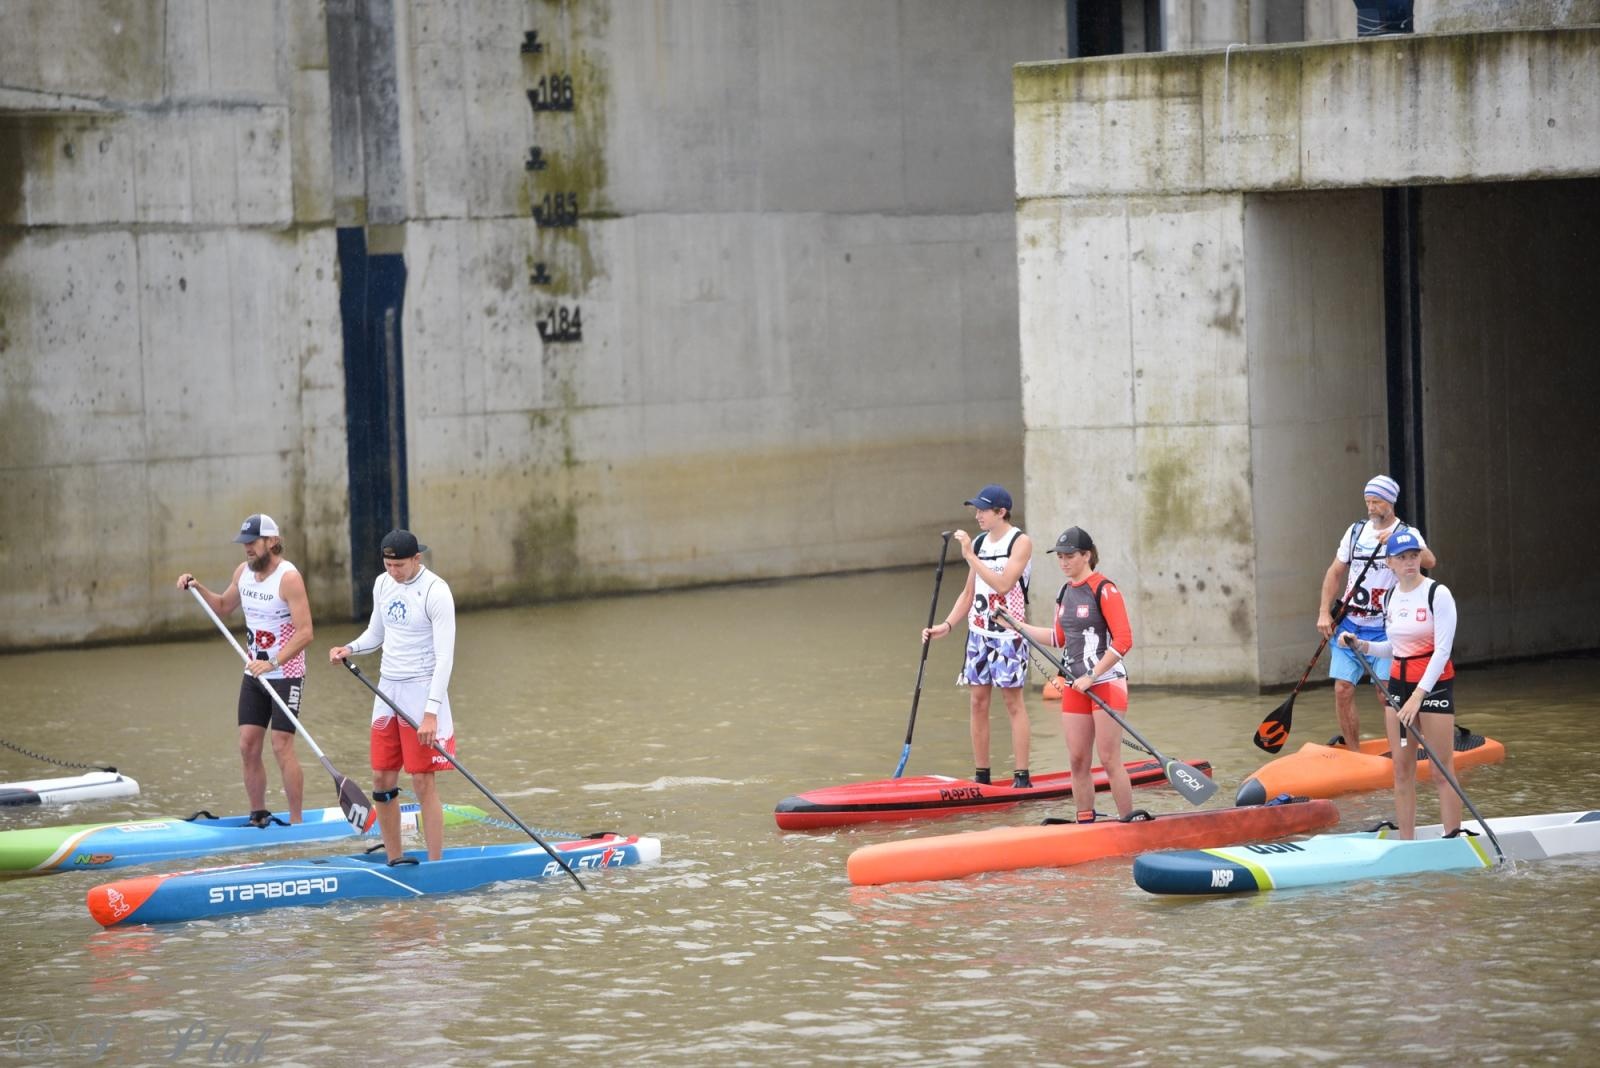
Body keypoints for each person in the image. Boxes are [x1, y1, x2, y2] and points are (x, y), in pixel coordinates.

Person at [329, 530, 457, 864]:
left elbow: (445, 658)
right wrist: (350, 648)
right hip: (388, 689)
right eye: (387, 564)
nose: (393, 571)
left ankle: (435, 863)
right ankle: (395, 859)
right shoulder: (382, 584)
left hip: (422, 691)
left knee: (421, 780)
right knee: (382, 778)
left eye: (399, 565)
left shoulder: (436, 592)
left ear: (417, 559)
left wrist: (431, 713)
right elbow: (377, 634)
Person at [177, 514, 312, 827]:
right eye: (245, 544)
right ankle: (258, 814)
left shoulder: (289, 578)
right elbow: (224, 607)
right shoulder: (243, 573)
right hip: (254, 673)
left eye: (253, 543)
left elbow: (305, 633)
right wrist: (198, 588)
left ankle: (297, 823)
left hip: (285, 673)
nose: (247, 549)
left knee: (281, 745)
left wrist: (274, 661)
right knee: (247, 744)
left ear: (272, 542)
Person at [1004, 527, 1135, 822]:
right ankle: (1085, 820)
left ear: (1086, 555)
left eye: (1069, 556)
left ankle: (1128, 822)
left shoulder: (1105, 589)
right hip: (1076, 685)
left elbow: (1124, 640)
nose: (1063, 562)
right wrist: (1017, 625)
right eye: (1060, 557)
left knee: (1109, 758)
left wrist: (1092, 674)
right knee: (1077, 760)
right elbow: (1058, 638)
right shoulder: (1064, 592)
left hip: (1106, 682)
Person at [1338, 529, 1460, 838]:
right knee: (1402, 771)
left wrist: (1419, 696)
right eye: (1402, 558)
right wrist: (1362, 645)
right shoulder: (1391, 596)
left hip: (1433, 687)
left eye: (1414, 556)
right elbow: (1392, 648)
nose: (1410, 562)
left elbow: (1443, 650)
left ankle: (1453, 838)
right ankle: (1406, 843)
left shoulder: (1438, 593)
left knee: (1440, 770)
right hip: (1398, 686)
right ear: (1390, 562)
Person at [921, 484, 1033, 788]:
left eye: (984, 510)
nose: (978, 515)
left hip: (1009, 635)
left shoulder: (1020, 542)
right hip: (979, 634)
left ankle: (1021, 776)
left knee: (1012, 703)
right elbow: (969, 593)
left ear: (1001, 512)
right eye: (977, 509)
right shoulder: (981, 542)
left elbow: (1003, 585)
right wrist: (947, 625)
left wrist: (970, 555)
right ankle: (982, 776)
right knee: (977, 703)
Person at [1315, 475, 1436, 751]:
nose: (1371, 507)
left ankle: (1409, 747)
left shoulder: (1406, 532)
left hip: (1385, 627)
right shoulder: (1355, 531)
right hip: (1350, 624)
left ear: (1390, 503)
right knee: (1342, 690)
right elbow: (1335, 572)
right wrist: (1324, 612)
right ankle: (1355, 754)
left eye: (1377, 502)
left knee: (1387, 695)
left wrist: (1399, 541)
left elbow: (1429, 561)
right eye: (1368, 501)